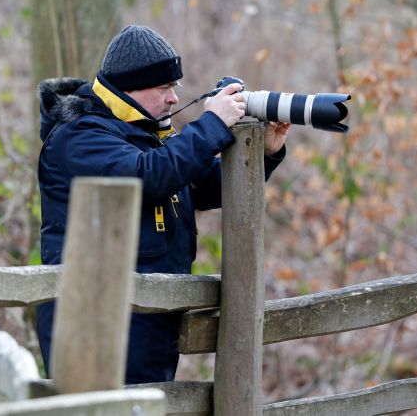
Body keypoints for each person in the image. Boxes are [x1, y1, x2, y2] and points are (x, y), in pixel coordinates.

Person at [35, 24, 290, 384]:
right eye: (163, 88)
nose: (173, 98)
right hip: (94, 321)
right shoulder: (78, 135)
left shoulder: (145, 133)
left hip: (148, 314)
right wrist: (213, 122)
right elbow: (149, 176)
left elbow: (205, 187)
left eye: (175, 88)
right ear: (128, 91)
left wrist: (266, 153)